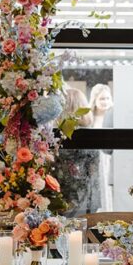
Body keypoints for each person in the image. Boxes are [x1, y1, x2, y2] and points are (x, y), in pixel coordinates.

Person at [54, 87, 101, 216]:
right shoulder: (91, 136)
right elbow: (93, 173)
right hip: (86, 201)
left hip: (59, 200)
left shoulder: (55, 136)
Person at [89, 83, 114, 208]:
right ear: (95, 100)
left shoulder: (115, 116)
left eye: (107, 98)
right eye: (102, 98)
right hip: (93, 158)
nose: (105, 101)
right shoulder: (89, 117)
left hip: (108, 157)